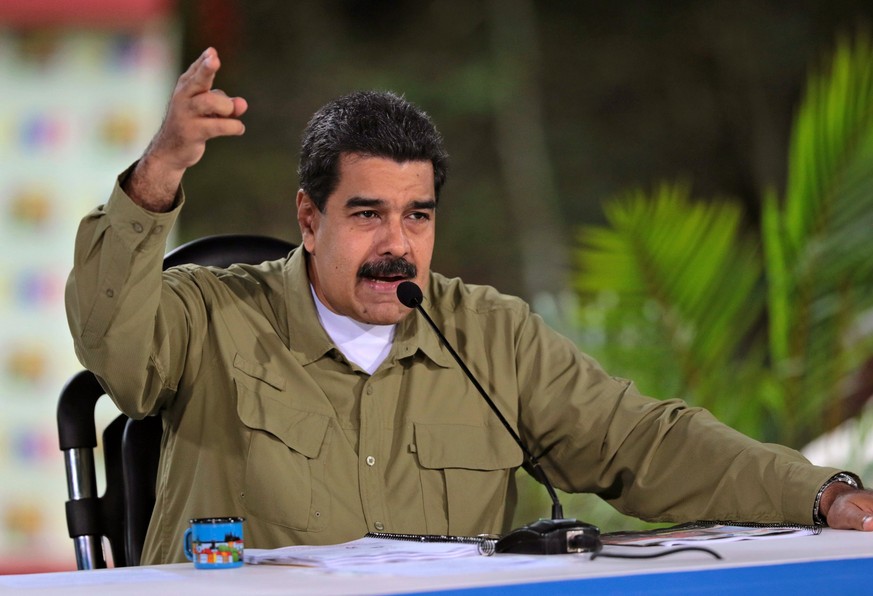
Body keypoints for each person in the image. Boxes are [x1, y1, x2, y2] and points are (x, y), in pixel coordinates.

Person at [66, 48, 873, 565]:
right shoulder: (210, 316)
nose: (397, 242)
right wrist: (159, 173)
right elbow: (116, 347)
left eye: (417, 215)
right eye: (366, 213)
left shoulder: (487, 334)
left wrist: (821, 494)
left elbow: (642, 442)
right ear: (309, 220)